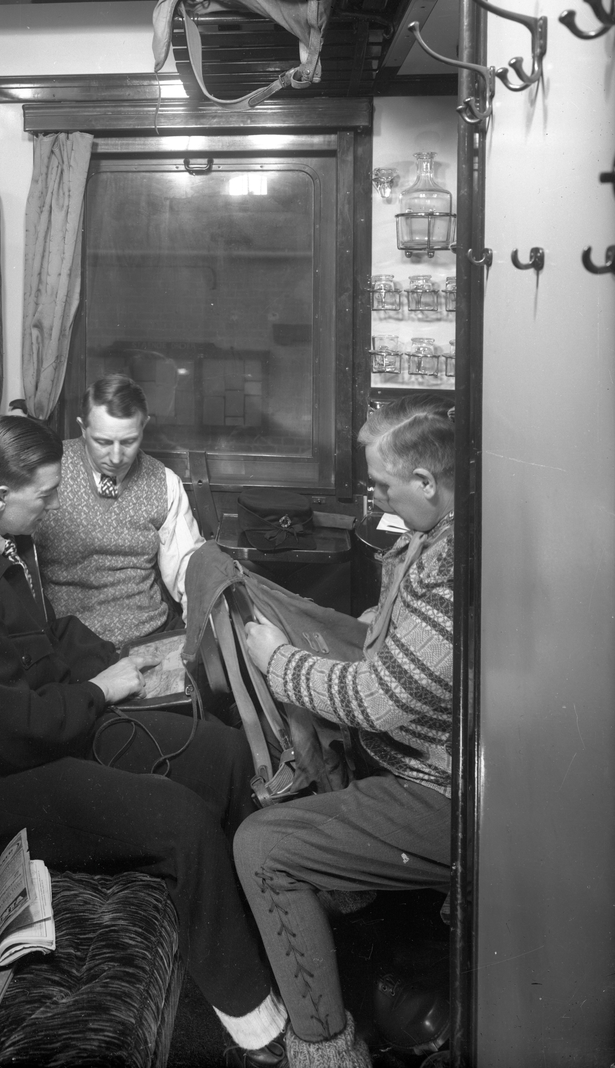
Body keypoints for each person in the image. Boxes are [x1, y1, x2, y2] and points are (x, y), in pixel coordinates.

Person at [0, 416, 288, 1066]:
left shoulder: (3, 545)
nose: (52, 505)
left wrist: (120, 667)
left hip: (43, 732)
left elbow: (43, 648)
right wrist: (101, 692)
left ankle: (268, 931)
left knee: (222, 752)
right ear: (1, 495)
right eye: (45, 494)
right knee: (182, 821)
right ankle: (255, 1023)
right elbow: (12, 734)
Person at [234, 394, 456, 1068]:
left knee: (261, 848)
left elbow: (380, 700)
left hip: (440, 792)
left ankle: (325, 1048)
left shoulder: (454, 567)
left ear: (425, 482)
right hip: (413, 769)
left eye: (384, 484)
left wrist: (279, 661)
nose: (376, 498)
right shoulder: (433, 535)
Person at [33, 374, 204, 646]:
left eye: (128, 442)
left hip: (150, 633)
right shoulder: (46, 472)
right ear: (83, 428)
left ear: (143, 426)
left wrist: (195, 637)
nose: (115, 457)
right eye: (103, 442)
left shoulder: (165, 482)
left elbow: (188, 567)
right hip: (69, 642)